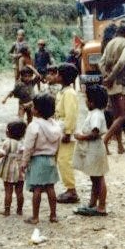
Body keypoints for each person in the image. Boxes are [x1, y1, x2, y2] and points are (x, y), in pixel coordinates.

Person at [21, 93, 62, 224]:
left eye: (33, 106)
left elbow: (28, 147)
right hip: (50, 159)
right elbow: (58, 144)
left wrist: (24, 162)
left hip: (37, 160)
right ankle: (53, 215)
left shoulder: (34, 126)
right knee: (50, 188)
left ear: (37, 110)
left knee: (37, 189)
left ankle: (35, 217)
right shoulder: (55, 125)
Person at [73, 84, 109, 217]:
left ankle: (101, 206)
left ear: (92, 102)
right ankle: (92, 204)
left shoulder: (97, 115)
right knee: (94, 177)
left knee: (99, 178)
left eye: (87, 99)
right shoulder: (95, 113)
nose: (86, 102)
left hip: (95, 150)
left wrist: (81, 136)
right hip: (93, 150)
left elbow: (95, 133)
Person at [100, 24, 125, 154]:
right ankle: (105, 140)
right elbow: (121, 63)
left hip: (111, 83)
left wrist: (107, 77)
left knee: (116, 116)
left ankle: (120, 146)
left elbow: (101, 62)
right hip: (122, 82)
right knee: (124, 115)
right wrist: (111, 77)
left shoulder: (110, 43)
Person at [49, 63, 80, 204]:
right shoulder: (63, 91)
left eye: (57, 74)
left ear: (62, 77)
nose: (55, 76)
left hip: (66, 132)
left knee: (64, 161)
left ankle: (71, 190)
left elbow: (71, 115)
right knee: (59, 159)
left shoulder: (69, 94)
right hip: (59, 130)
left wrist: (68, 132)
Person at [0, 120, 27, 216]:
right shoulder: (23, 143)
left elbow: (2, 154)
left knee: (8, 191)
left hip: (9, 169)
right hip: (20, 169)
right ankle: (19, 210)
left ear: (9, 132)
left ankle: (7, 211)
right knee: (19, 192)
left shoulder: (7, 142)